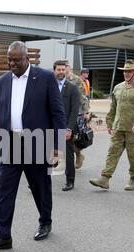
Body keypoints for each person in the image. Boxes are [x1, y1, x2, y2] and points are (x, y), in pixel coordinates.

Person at [0, 41, 65, 252]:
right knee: (5, 192)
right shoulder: (1, 82)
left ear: (27, 58)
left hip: (38, 143)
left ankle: (45, 221)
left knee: (40, 188)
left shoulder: (45, 78)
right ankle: (3, 236)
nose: (12, 63)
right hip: (10, 145)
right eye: (9, 59)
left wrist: (57, 145)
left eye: (16, 60)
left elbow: (57, 113)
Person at [89, 59, 134, 191]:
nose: (126, 74)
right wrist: (109, 123)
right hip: (118, 127)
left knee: (133, 155)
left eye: (129, 71)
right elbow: (113, 108)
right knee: (112, 152)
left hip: (133, 129)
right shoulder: (118, 87)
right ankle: (105, 179)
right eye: (125, 71)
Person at [53, 60, 80, 191]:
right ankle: (39, 180)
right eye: (58, 69)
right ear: (54, 71)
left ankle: (70, 181)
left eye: (63, 69)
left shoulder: (72, 88)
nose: (61, 72)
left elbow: (75, 110)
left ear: (66, 70)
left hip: (66, 128)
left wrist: (69, 128)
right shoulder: (49, 86)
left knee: (68, 154)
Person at [64, 60, 90, 169]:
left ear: (69, 67)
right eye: (61, 67)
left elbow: (82, 96)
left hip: (75, 113)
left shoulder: (76, 80)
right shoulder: (55, 78)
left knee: (73, 138)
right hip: (61, 112)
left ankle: (78, 154)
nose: (63, 69)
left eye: (65, 67)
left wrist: (86, 112)